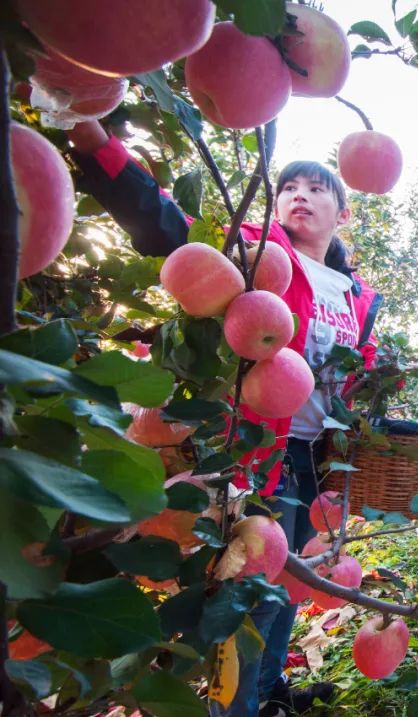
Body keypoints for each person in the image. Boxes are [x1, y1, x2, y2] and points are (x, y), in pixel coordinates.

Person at [67, 120, 382, 717]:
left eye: (317, 188)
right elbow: (173, 233)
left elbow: (355, 380)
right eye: (290, 185)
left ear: (342, 212)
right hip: (256, 450)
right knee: (250, 588)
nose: (299, 194)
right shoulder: (262, 255)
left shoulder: (357, 296)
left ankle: (265, 694)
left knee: (298, 580)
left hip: (316, 458)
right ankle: (232, 709)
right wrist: (96, 145)